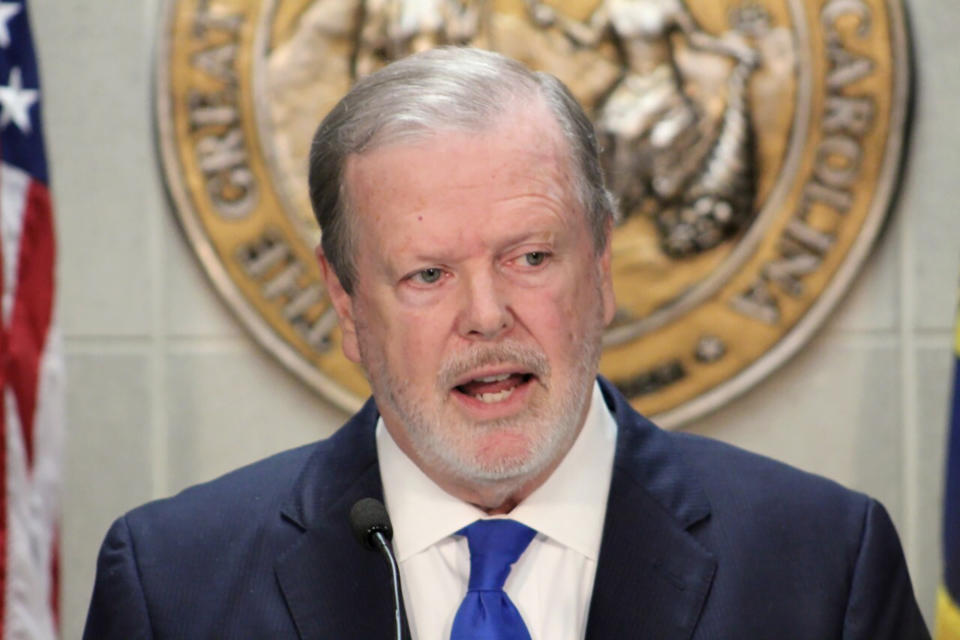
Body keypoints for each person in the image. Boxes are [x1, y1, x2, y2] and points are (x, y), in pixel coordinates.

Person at [84, 47, 929, 639]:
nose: (486, 316)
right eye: (427, 275)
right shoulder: (174, 583)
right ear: (344, 301)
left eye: (529, 257)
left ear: (599, 268)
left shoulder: (823, 565)